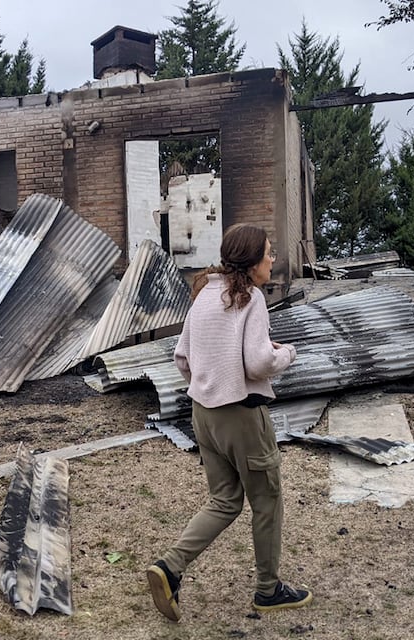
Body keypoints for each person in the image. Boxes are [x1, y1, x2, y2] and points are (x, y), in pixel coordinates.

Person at [146, 223, 312, 622]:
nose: (273, 260)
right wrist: (286, 354)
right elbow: (257, 362)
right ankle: (268, 591)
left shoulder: (204, 294)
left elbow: (183, 358)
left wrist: (211, 383)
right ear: (252, 262)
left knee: (224, 500)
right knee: (267, 500)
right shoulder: (251, 298)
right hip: (241, 415)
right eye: (269, 254)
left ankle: (169, 568)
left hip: (204, 414)